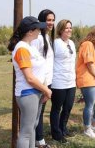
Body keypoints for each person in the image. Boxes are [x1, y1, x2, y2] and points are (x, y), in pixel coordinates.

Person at [8, 16, 52, 148]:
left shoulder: (29, 47)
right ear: (30, 31)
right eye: (38, 29)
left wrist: (43, 89)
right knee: (26, 131)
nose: (40, 31)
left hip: (35, 92)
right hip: (28, 93)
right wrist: (46, 90)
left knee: (32, 126)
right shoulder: (22, 48)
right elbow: (29, 77)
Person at [31, 9, 55, 148]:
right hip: (41, 82)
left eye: (52, 20)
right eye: (48, 20)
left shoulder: (46, 37)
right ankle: (39, 142)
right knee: (36, 114)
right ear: (41, 21)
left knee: (39, 112)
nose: (50, 23)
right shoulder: (38, 38)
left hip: (47, 81)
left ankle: (37, 141)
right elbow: (35, 63)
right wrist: (44, 85)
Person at [76, 28, 95, 139]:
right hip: (87, 79)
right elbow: (89, 64)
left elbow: (93, 64)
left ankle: (94, 124)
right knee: (90, 105)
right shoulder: (87, 44)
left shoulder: (91, 46)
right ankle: (87, 129)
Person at [50, 19, 76, 143]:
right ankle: (56, 134)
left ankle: (63, 128)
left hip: (71, 81)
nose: (69, 30)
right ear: (60, 30)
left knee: (68, 107)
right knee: (56, 108)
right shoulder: (55, 43)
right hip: (58, 81)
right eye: (66, 28)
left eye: (70, 27)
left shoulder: (71, 42)